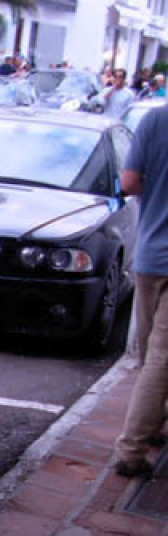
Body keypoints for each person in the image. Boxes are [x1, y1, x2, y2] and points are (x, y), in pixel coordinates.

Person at [113, 102, 168, 476]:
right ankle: (132, 449)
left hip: (150, 255)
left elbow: (130, 183)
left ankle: (150, 427)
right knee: (161, 358)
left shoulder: (155, 119)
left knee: (152, 353)